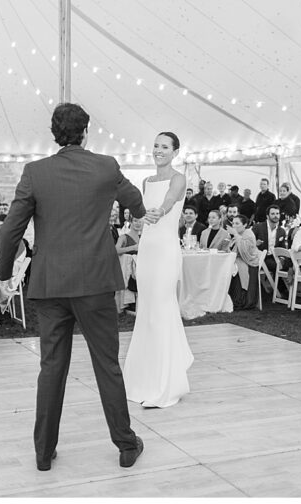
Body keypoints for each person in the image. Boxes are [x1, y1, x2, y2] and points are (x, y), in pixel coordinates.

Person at [0, 102, 145, 472]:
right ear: (85, 131)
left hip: (50, 284)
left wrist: (1, 274)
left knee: (51, 367)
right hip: (95, 281)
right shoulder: (106, 166)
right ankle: (126, 445)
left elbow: (12, 227)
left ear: (54, 132)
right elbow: (137, 204)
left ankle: (43, 453)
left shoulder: (35, 172)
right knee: (107, 364)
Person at [123, 131, 193, 407]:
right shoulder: (146, 180)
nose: (159, 150)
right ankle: (143, 379)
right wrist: (140, 217)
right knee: (147, 310)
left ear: (175, 152)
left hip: (165, 249)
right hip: (148, 248)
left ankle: (167, 384)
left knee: (162, 306)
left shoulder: (178, 178)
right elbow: (141, 210)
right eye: (156, 145)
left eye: (165, 147)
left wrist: (158, 212)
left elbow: (171, 200)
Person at [227, 214, 261, 309]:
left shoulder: (248, 234)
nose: (234, 226)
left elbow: (246, 252)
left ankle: (240, 300)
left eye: (237, 223)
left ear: (245, 225)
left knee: (235, 268)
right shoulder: (237, 235)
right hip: (238, 260)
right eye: (233, 223)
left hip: (249, 263)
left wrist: (236, 235)